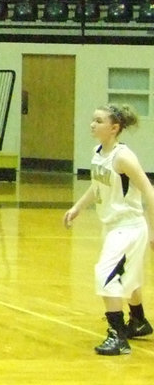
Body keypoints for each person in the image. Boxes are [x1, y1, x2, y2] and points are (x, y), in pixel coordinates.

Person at [63, 103, 154, 356]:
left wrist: (153, 230)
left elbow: (149, 191)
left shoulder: (123, 157)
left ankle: (117, 336)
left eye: (99, 121)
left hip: (129, 227)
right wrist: (77, 207)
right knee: (128, 275)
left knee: (106, 274)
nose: (93, 124)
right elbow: (97, 186)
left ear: (114, 128)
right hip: (113, 226)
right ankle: (138, 321)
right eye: (93, 120)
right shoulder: (98, 152)